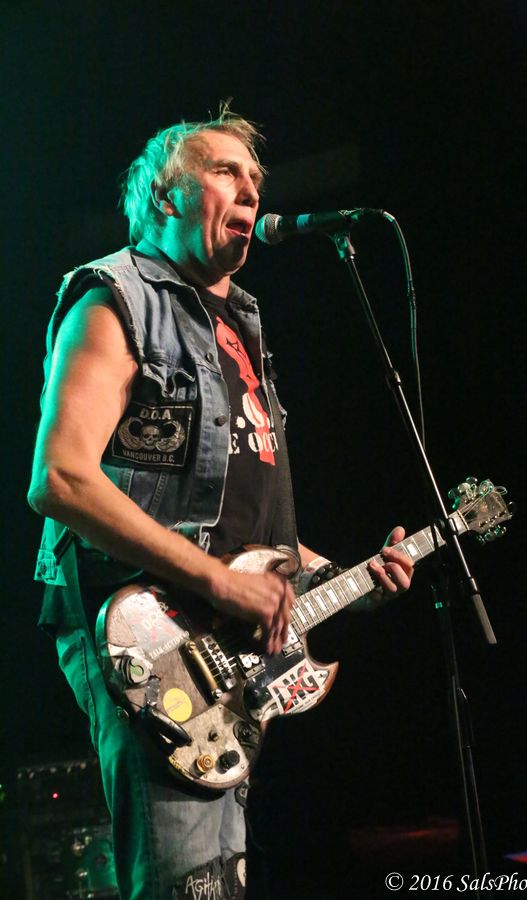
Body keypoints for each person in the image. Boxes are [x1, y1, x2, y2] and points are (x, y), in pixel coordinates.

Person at [28, 106, 414, 900]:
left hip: (229, 653)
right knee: (191, 883)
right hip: (144, 630)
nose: (250, 189)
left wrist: (349, 578)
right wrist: (217, 582)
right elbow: (60, 478)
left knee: (222, 880)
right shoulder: (115, 297)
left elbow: (253, 528)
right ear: (163, 197)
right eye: (225, 171)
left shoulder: (241, 324)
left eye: (256, 179)